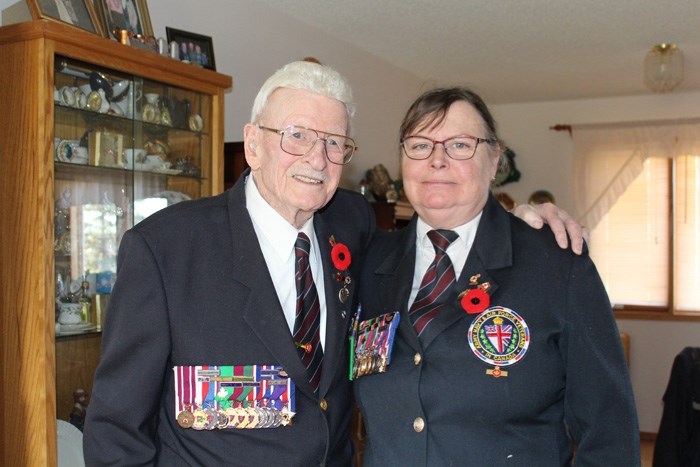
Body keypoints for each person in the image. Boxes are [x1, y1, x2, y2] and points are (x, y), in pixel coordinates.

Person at [83, 62, 585, 465]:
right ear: (253, 143)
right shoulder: (165, 248)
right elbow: (117, 428)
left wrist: (518, 220)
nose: (318, 159)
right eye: (297, 135)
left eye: (335, 143)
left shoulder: (352, 223)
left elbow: (441, 242)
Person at [353, 87, 640, 465]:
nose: (436, 160)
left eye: (459, 145)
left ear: (494, 160)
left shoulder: (558, 265)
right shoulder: (368, 263)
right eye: (420, 145)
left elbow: (608, 432)